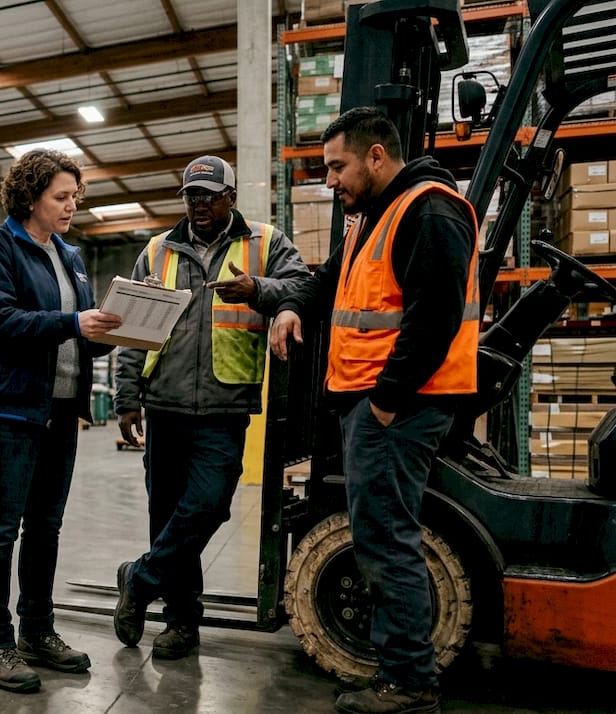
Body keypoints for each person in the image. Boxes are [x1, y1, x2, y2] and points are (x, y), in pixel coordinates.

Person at [269, 107, 478, 714]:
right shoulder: (370, 217)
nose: (330, 180)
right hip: (370, 402)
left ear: (377, 156)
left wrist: (386, 402)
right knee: (378, 533)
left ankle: (410, 682)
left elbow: (433, 319)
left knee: (387, 538)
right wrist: (291, 308)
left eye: (337, 166)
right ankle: (399, 668)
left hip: (399, 407)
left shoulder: (428, 210)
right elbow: (329, 278)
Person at [111, 155, 311, 660]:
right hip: (165, 404)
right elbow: (132, 328)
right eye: (192, 196)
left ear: (231, 197)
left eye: (209, 195)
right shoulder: (158, 250)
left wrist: (259, 291)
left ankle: (138, 578)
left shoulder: (263, 243)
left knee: (208, 506)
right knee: (167, 514)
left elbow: (307, 286)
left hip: (224, 405)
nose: (199, 205)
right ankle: (181, 621)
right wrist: (126, 396)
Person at [0, 148, 122, 693]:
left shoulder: (70, 256)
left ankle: (37, 630)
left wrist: (112, 333)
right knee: (1, 527)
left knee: (46, 527)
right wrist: (75, 321)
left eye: (75, 196)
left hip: (58, 409)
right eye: (61, 196)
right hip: (5, 408)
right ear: (30, 197)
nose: (72, 205)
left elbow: (75, 335)